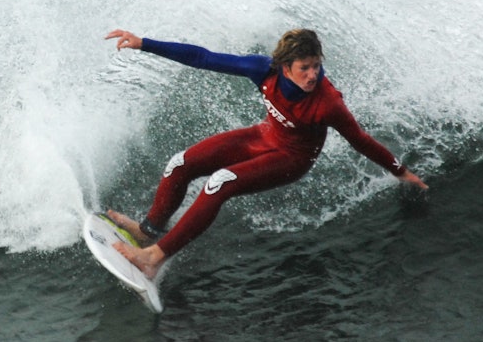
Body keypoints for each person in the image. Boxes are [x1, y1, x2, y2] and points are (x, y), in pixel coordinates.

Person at [104, 28, 428, 280]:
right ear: (285, 68)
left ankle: (154, 258)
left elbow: (361, 140)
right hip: (263, 136)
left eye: (316, 66)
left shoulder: (327, 103)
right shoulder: (263, 70)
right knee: (180, 164)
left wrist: (400, 171)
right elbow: (203, 57)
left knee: (219, 183)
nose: (313, 75)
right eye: (305, 68)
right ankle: (147, 232)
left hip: (291, 159)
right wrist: (144, 43)